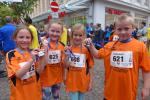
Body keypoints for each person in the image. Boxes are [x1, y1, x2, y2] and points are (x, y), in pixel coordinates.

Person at [84, 14, 150, 100]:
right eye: (119, 29)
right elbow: (97, 55)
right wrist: (90, 46)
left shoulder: (140, 46)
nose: (123, 32)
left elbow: (146, 69)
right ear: (115, 30)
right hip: (110, 93)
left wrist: (146, 88)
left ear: (133, 28)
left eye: (126, 28)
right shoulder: (110, 45)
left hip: (128, 94)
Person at [5, 26, 47, 100]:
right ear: (15, 38)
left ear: (31, 40)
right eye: (21, 37)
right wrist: (31, 60)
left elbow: (39, 71)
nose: (24, 40)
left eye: (28, 37)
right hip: (20, 96)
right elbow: (18, 74)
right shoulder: (11, 54)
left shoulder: (33, 52)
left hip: (35, 94)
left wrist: (43, 56)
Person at [64, 23, 94, 100]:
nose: (77, 37)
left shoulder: (86, 50)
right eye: (75, 35)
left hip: (83, 81)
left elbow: (90, 67)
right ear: (71, 36)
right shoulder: (68, 49)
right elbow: (66, 66)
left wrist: (90, 82)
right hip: (72, 82)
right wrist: (67, 55)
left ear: (84, 36)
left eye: (80, 35)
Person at [40, 22, 65, 100]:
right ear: (48, 30)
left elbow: (63, 63)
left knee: (56, 97)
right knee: (46, 97)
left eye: (58, 32)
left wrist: (64, 76)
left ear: (61, 33)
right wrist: (44, 50)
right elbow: (39, 62)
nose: (55, 33)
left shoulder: (62, 46)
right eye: (52, 31)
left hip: (57, 78)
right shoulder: (42, 44)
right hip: (45, 78)